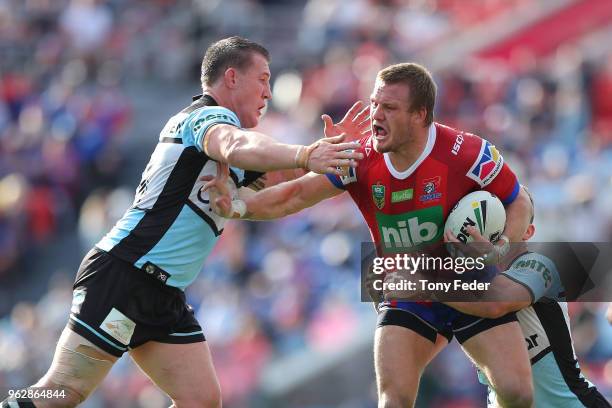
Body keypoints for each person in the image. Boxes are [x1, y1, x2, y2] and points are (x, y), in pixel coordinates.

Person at [0, 36, 364, 408]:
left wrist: (344, 167)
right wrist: (305, 154)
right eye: (263, 79)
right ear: (233, 78)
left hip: (163, 290)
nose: (269, 93)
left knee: (200, 400)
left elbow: (287, 197)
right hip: (126, 272)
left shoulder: (239, 144)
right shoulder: (205, 117)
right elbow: (235, 147)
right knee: (62, 391)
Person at [204, 62, 535, 407]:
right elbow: (295, 195)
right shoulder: (359, 157)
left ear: (420, 115)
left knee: (518, 393)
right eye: (375, 103)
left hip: (466, 281)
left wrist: (499, 252)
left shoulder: (466, 153)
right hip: (408, 288)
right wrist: (238, 206)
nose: (376, 115)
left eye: (389, 108)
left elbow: (518, 200)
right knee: (394, 400)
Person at [442, 187, 611, 408]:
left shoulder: (540, 265)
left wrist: (423, 283)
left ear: (528, 232)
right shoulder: (463, 284)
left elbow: (498, 303)